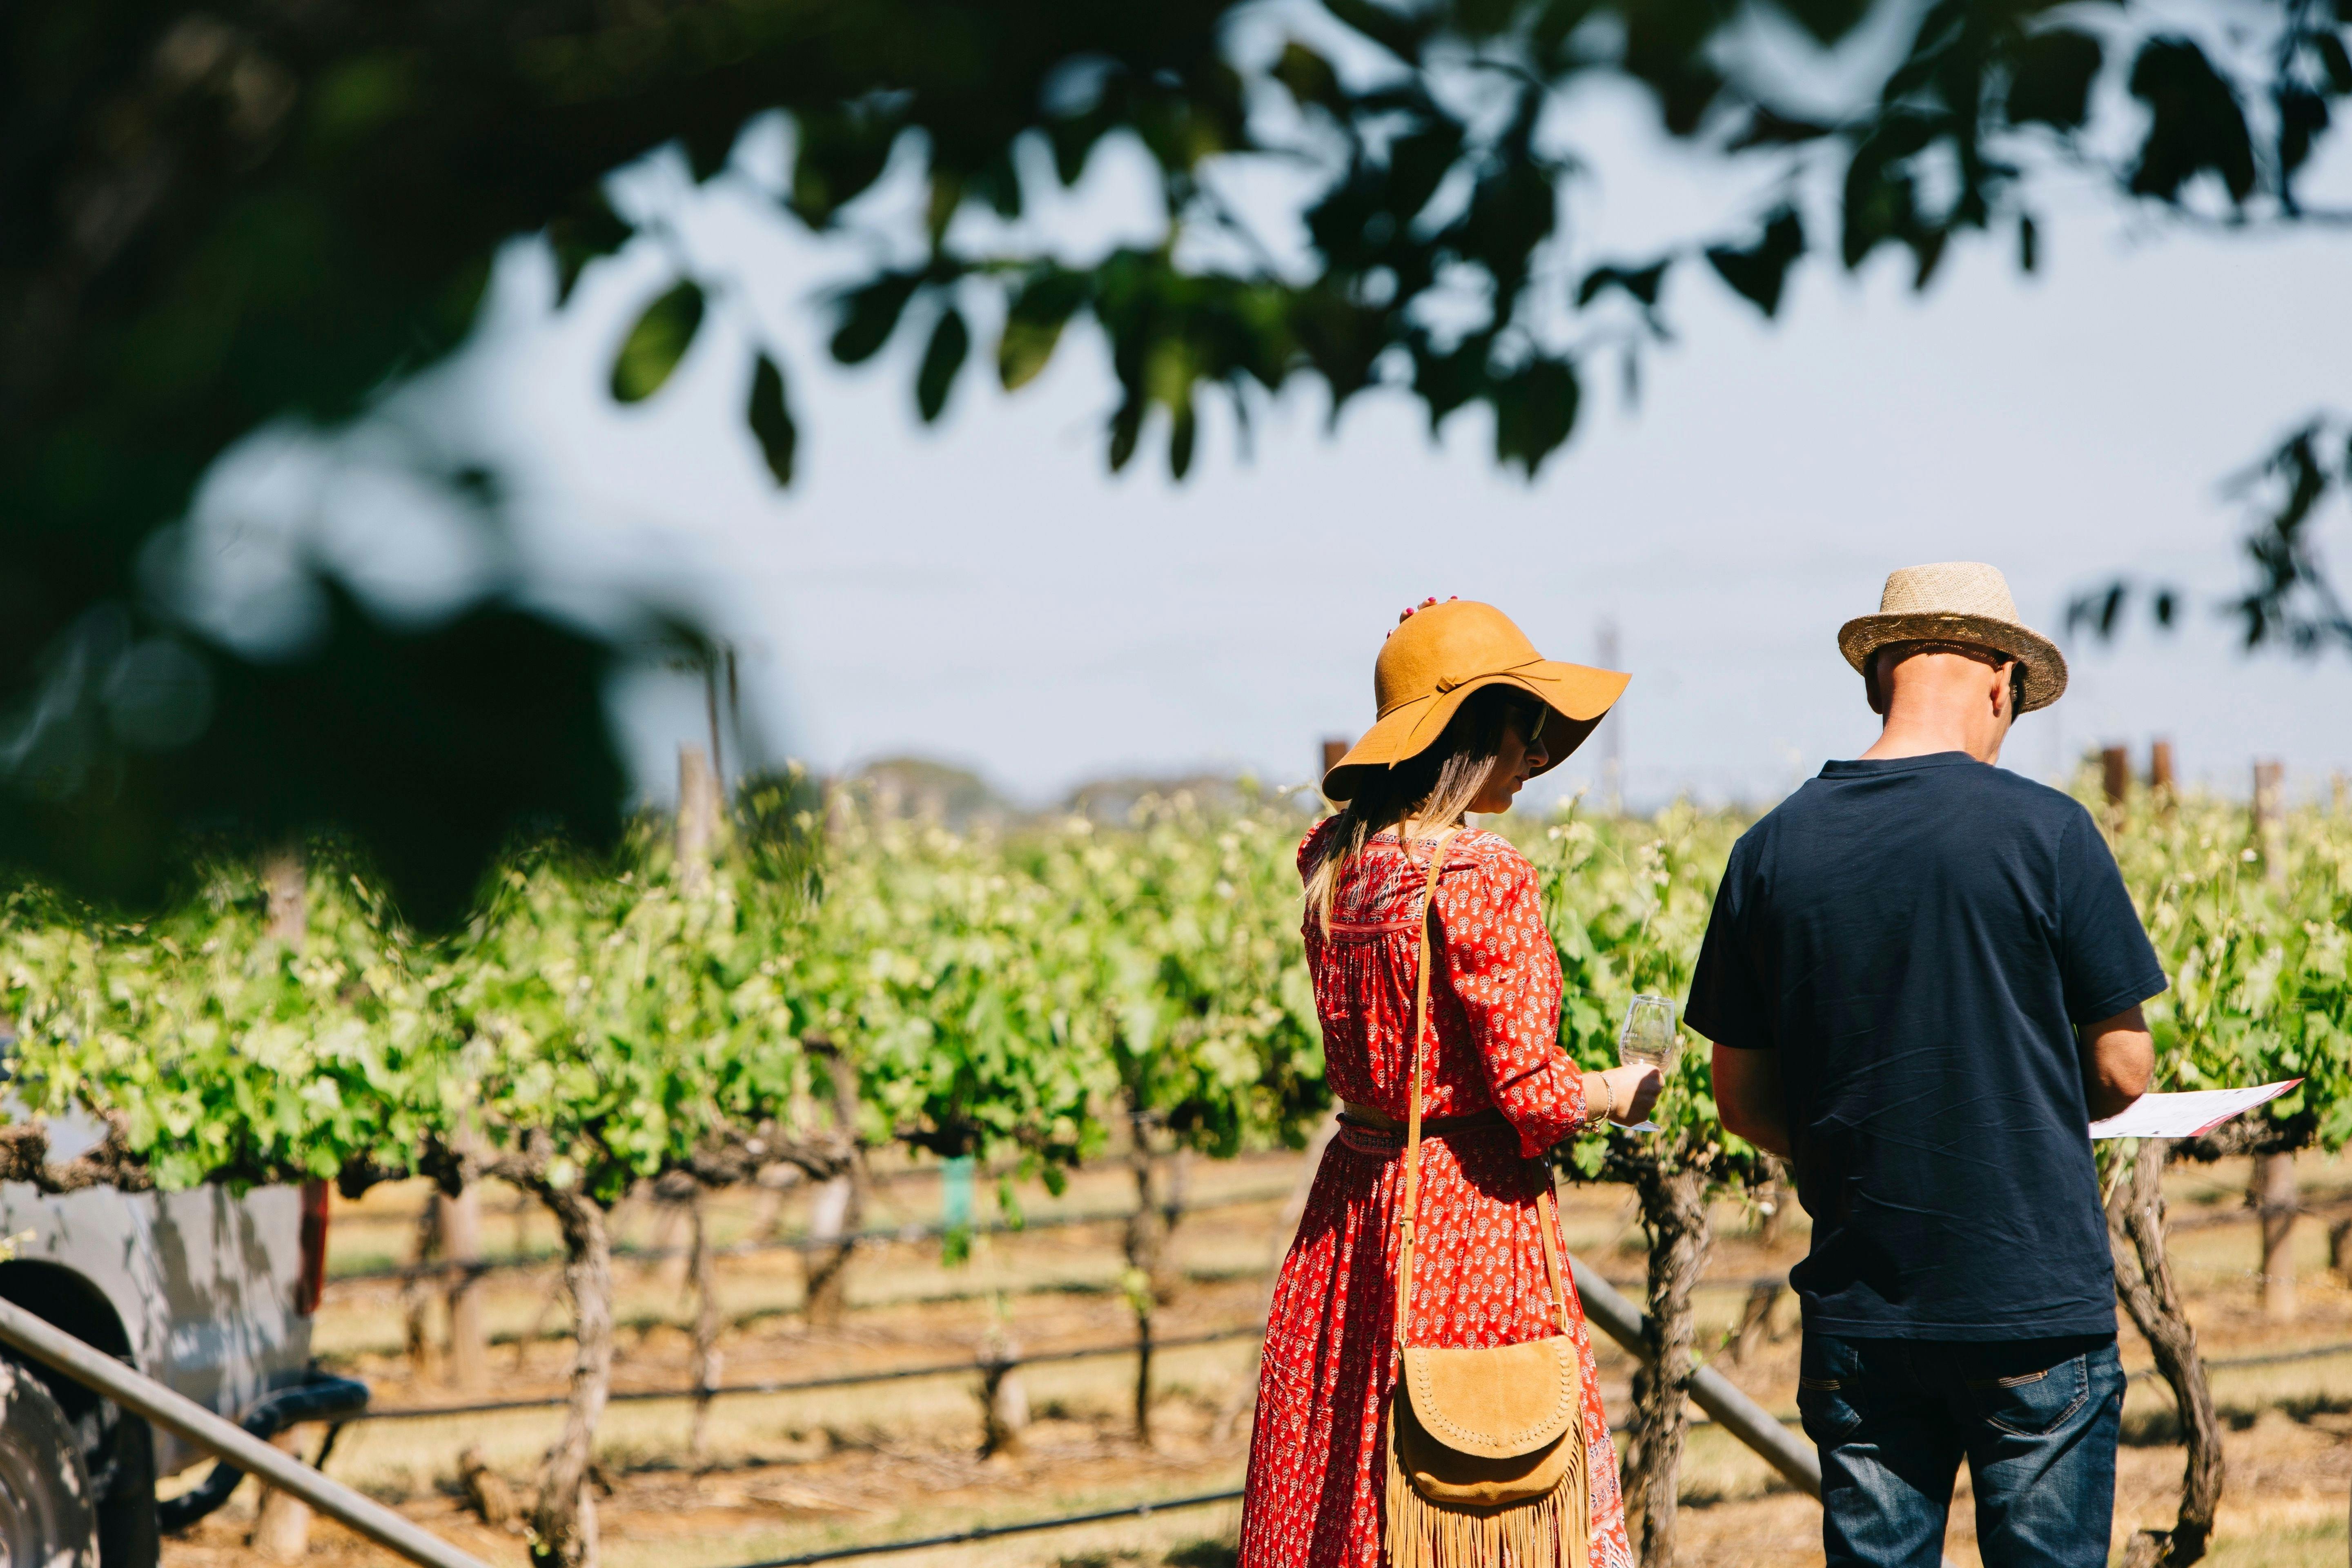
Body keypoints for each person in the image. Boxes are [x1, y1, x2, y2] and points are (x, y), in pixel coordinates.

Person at [1687, 562, 2163, 1568]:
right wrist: (2019, 1110)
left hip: (1864, 1304)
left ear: (1879, 681)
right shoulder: (2052, 834)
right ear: (2000, 681)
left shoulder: (1769, 853)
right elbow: (2125, 1068)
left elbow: (1740, 1099)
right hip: (2033, 1301)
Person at [1238, 597, 1660, 1568]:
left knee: (1350, 1471)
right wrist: (1618, 1088)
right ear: (1480, 731)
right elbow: (1533, 1094)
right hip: (1463, 1216)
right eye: (1527, 722)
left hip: (1356, 1200)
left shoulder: (1340, 864)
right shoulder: (1480, 874)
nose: (1540, 747)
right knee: (1482, 1476)